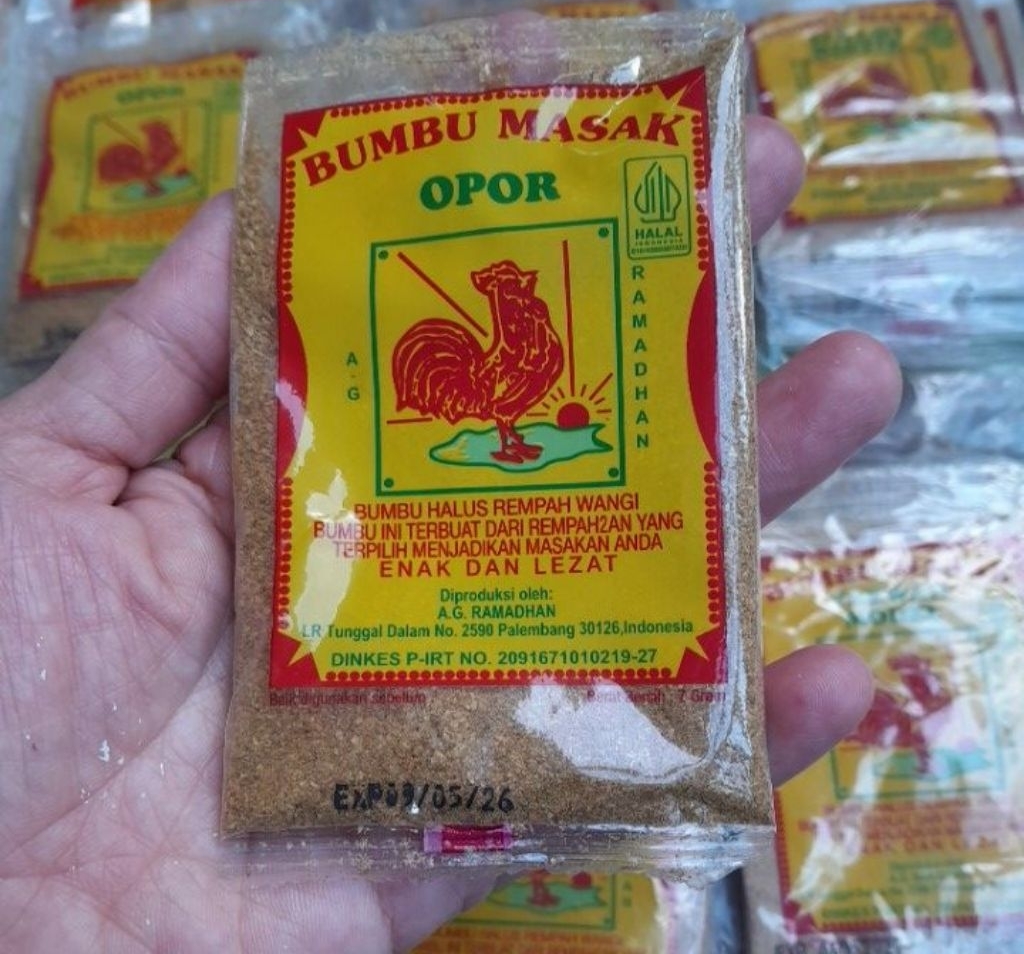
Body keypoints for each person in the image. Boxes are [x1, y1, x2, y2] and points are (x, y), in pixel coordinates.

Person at [0, 116, 901, 952]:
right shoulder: (504, 344)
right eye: (512, 290)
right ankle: (501, 434)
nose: (520, 294)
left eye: (517, 288)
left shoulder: (528, 335)